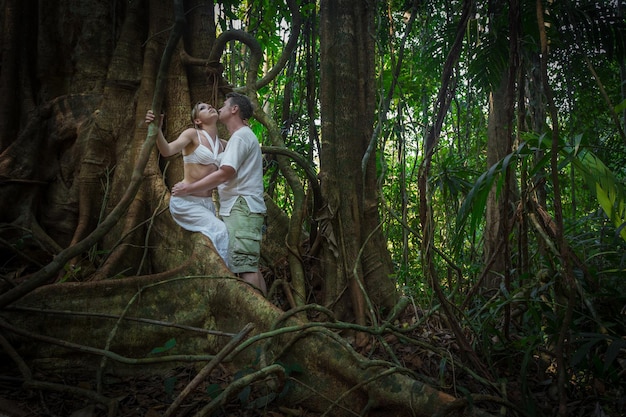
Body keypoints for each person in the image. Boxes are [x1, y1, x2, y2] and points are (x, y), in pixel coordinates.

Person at [171, 92, 267, 296]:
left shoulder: (240, 137)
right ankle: (261, 313)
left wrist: (189, 188)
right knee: (247, 262)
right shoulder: (235, 139)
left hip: (243, 207)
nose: (219, 107)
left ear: (234, 109)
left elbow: (225, 173)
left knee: (245, 266)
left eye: (224, 105)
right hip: (239, 207)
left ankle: (259, 318)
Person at [145, 102, 230, 266]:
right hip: (186, 202)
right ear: (197, 121)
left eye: (211, 106)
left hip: (208, 205)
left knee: (217, 237)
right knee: (221, 231)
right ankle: (228, 278)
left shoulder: (224, 145)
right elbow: (167, 151)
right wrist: (156, 130)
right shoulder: (192, 134)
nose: (210, 107)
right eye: (203, 108)